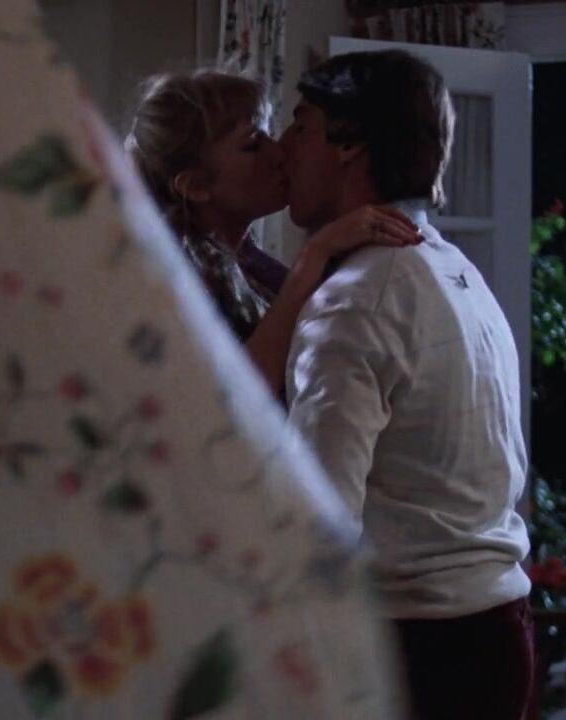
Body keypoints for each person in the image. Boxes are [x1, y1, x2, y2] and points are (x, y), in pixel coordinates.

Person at [279, 50, 535, 720]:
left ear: (348, 143)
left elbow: (319, 524)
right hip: (493, 627)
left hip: (421, 649)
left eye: (299, 127)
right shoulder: (456, 273)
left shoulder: (355, 302)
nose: (283, 148)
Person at [125, 70, 420, 397]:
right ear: (196, 186)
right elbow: (232, 401)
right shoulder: (174, 281)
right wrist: (314, 255)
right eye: (253, 145)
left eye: (268, 134)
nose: (279, 152)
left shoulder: (250, 262)